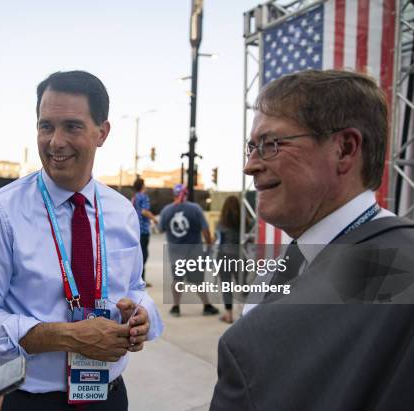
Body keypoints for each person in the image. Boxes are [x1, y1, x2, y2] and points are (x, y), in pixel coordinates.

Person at [0, 70, 163, 411]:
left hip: (108, 396)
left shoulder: (122, 211)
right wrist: (66, 336)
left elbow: (135, 287)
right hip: (28, 398)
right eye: (46, 126)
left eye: (72, 126)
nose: (55, 142)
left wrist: (143, 315)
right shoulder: (1, 211)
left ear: (102, 133)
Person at [210, 70, 414, 410]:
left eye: (270, 144)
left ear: (345, 150)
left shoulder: (400, 267)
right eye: (251, 147)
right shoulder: (280, 271)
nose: (250, 165)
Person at [159, 184, 219, 317]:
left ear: (173, 194)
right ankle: (207, 306)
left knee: (177, 280)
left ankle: (176, 307)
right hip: (194, 252)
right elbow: (205, 230)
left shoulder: (166, 210)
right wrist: (209, 244)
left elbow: (160, 229)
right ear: (187, 194)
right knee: (198, 281)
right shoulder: (195, 208)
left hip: (175, 253)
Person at [215, 195, 241, 324]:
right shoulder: (245, 222)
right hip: (241, 256)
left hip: (224, 255)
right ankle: (244, 312)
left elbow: (218, 241)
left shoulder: (221, 223)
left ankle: (229, 314)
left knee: (226, 285)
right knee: (242, 284)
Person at [131, 177, 157, 286]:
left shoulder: (134, 197)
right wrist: (154, 219)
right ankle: (140, 280)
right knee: (144, 255)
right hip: (143, 230)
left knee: (138, 255)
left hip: (135, 228)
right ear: (142, 186)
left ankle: (139, 279)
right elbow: (144, 211)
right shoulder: (144, 197)